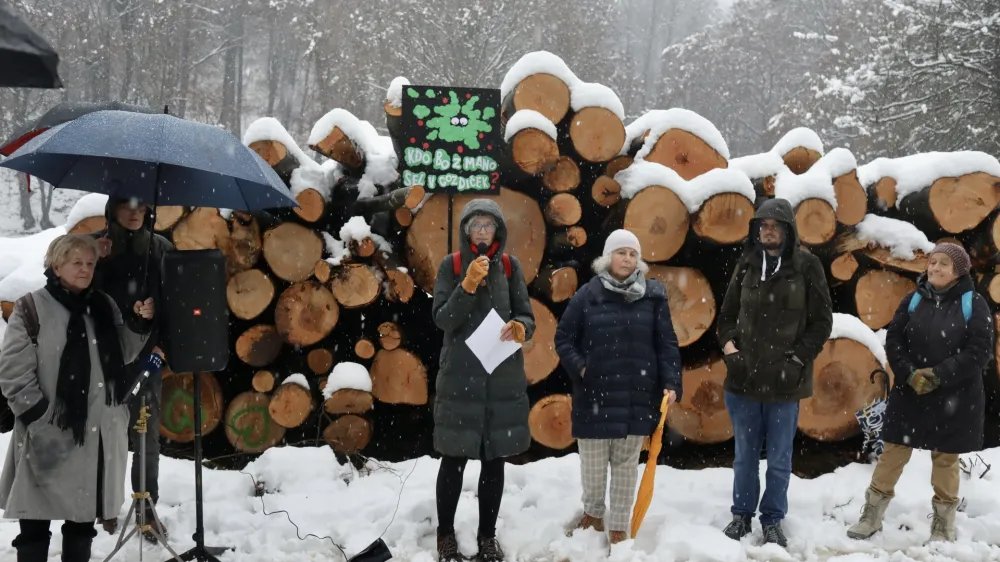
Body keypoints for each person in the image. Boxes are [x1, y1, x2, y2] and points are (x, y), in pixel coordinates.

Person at [0, 234, 154, 562]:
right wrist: (40, 418)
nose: (85, 270)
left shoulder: (102, 305)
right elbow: (13, 372)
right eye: (76, 263)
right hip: (48, 434)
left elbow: (122, 353)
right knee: (34, 526)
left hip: (93, 436)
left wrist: (140, 322)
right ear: (56, 265)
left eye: (89, 263)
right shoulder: (31, 307)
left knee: (81, 525)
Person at [846, 243, 993, 544]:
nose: (936, 268)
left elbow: (979, 350)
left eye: (944, 264)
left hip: (955, 395)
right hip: (911, 393)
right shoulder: (912, 300)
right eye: (933, 262)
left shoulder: (973, 303)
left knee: (945, 462)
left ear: (958, 271)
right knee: (892, 455)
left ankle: (942, 527)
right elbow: (894, 340)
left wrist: (940, 374)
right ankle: (871, 517)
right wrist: (909, 373)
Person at [716, 198, 833, 547]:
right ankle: (741, 516)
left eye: (775, 225)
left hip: (785, 383)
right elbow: (725, 318)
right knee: (745, 458)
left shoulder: (807, 266)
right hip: (744, 381)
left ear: (788, 230)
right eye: (762, 225)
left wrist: (796, 361)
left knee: (779, 461)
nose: (768, 230)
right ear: (756, 230)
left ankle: (772, 520)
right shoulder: (747, 265)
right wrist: (730, 351)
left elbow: (821, 322)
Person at [554, 229, 682, 545]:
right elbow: (563, 338)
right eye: (621, 252)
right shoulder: (588, 294)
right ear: (607, 257)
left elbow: (666, 343)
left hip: (637, 395)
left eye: (632, 253)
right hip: (594, 394)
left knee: (626, 467)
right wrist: (581, 367)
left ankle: (619, 525)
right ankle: (594, 514)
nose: (627, 259)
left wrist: (670, 382)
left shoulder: (653, 296)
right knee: (593, 467)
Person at [431, 199, 535, 562]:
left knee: (494, 462)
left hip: (500, 379)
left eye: (488, 225)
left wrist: (522, 327)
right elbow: (443, 319)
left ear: (498, 231)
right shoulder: (452, 265)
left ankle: (487, 538)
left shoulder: (510, 266)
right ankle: (445, 536)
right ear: (464, 230)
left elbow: (526, 314)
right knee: (454, 460)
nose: (482, 231)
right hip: (460, 379)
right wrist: (468, 285)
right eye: (475, 225)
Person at [92, 195, 174, 540]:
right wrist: (96, 259)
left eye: (141, 207)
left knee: (145, 437)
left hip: (147, 357)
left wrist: (158, 325)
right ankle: (102, 505)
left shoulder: (161, 248)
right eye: (127, 206)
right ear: (113, 210)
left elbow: (179, 301)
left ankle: (147, 509)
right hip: (100, 355)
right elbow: (62, 279)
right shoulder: (95, 246)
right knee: (99, 434)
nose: (135, 213)